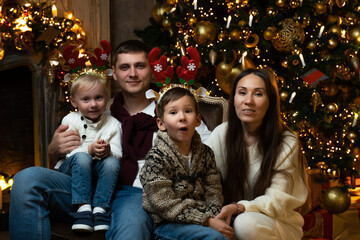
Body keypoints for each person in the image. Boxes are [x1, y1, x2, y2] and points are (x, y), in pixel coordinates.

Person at [9, 39, 211, 240]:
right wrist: (53, 151)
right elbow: (68, 163)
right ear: (114, 73)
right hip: (88, 190)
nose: (132, 74)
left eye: (140, 66)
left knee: (131, 229)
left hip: (136, 195)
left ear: (150, 71)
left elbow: (210, 155)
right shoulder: (99, 113)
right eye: (125, 67)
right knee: (27, 179)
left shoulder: (174, 113)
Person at [206, 68, 309, 240]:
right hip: (231, 218)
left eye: (258, 94)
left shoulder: (286, 142)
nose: (248, 101)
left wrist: (238, 208)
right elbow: (201, 178)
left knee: (245, 224)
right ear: (234, 99)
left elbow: (277, 201)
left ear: (270, 101)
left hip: (276, 223)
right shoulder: (221, 134)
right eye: (242, 93)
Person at [140, 86, 233, 240]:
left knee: (226, 231)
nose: (182, 117)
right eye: (173, 112)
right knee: (214, 237)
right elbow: (165, 204)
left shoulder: (206, 154)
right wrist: (206, 221)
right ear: (161, 123)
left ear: (198, 120)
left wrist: (214, 218)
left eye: (188, 111)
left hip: (202, 217)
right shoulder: (156, 158)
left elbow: (214, 190)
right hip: (168, 223)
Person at [56, 73, 122, 232]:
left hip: (97, 172)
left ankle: (100, 209)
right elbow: (69, 153)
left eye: (98, 98)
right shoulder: (70, 120)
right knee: (82, 157)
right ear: (74, 102)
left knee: (112, 162)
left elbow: (118, 153)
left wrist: (108, 151)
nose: (93, 104)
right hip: (71, 170)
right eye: (86, 99)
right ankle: (83, 208)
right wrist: (90, 149)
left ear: (106, 98)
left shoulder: (113, 124)